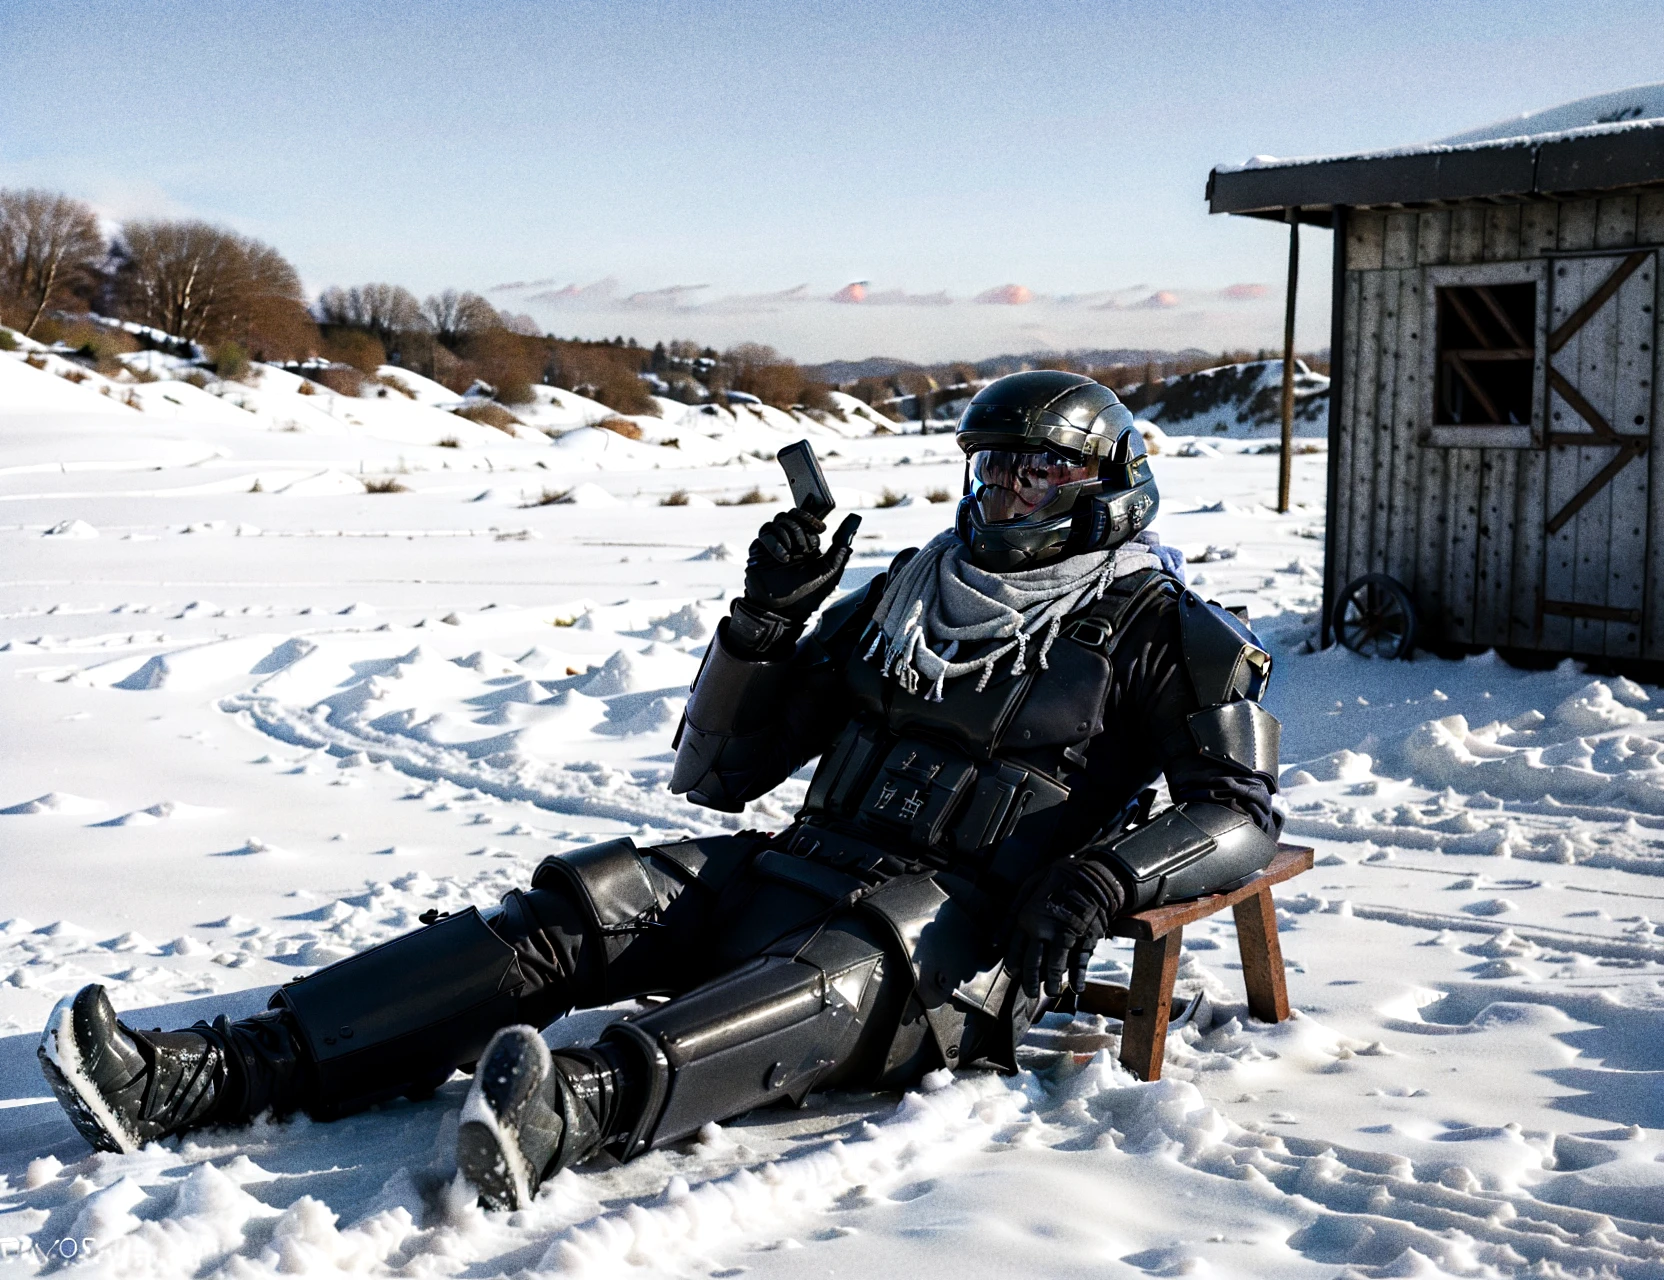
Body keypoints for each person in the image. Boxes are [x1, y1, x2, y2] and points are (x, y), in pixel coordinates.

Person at [38, 370, 1282, 1211]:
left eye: (1040, 478)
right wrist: (762, 623)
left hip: (952, 942)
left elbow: (1239, 808)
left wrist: (1106, 876)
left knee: (857, 947)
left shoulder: (1170, 628)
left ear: (1107, 486)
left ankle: (570, 1112)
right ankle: (210, 1071)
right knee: (589, 898)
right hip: (801, 861)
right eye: (993, 470)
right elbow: (722, 772)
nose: (1007, 494)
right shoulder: (909, 585)